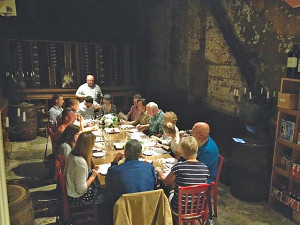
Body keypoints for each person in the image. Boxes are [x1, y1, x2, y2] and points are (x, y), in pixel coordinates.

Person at [155, 136, 209, 213]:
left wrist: (159, 172)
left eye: (180, 149)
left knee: (165, 187)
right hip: (198, 209)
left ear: (185, 152)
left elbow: (166, 181)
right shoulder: (205, 168)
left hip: (179, 209)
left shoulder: (178, 167)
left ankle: (165, 216)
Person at [64, 132, 104, 206]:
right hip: (77, 198)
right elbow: (81, 190)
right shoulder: (80, 163)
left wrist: (91, 170)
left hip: (71, 189)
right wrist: (93, 176)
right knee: (106, 193)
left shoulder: (73, 153)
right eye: (93, 145)